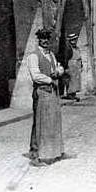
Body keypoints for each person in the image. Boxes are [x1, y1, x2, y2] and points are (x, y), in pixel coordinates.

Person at [26, 28, 64, 166]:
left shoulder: (51, 55)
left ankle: (52, 151)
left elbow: (59, 67)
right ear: (39, 40)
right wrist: (49, 79)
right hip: (42, 91)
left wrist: (58, 71)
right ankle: (36, 155)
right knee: (41, 121)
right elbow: (35, 75)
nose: (45, 40)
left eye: (47, 38)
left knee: (52, 121)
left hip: (52, 91)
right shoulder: (33, 56)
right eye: (43, 38)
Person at [63, 33, 82, 101]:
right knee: (71, 80)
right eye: (72, 40)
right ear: (69, 41)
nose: (74, 42)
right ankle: (70, 94)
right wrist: (65, 67)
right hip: (71, 65)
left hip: (77, 66)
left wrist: (81, 65)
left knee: (76, 80)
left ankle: (74, 94)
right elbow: (66, 58)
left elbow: (80, 57)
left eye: (74, 40)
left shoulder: (77, 48)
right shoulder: (68, 49)